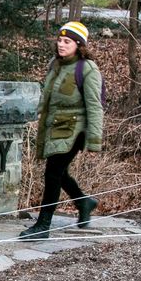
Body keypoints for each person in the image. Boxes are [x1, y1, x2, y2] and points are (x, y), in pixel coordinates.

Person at [20, 21, 103, 240]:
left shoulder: (87, 68)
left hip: (74, 129)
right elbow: (48, 96)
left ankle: (43, 225)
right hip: (54, 126)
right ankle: (84, 202)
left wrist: (94, 140)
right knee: (60, 172)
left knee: (52, 173)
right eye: (59, 40)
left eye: (67, 41)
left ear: (79, 44)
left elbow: (95, 106)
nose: (61, 45)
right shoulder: (55, 64)